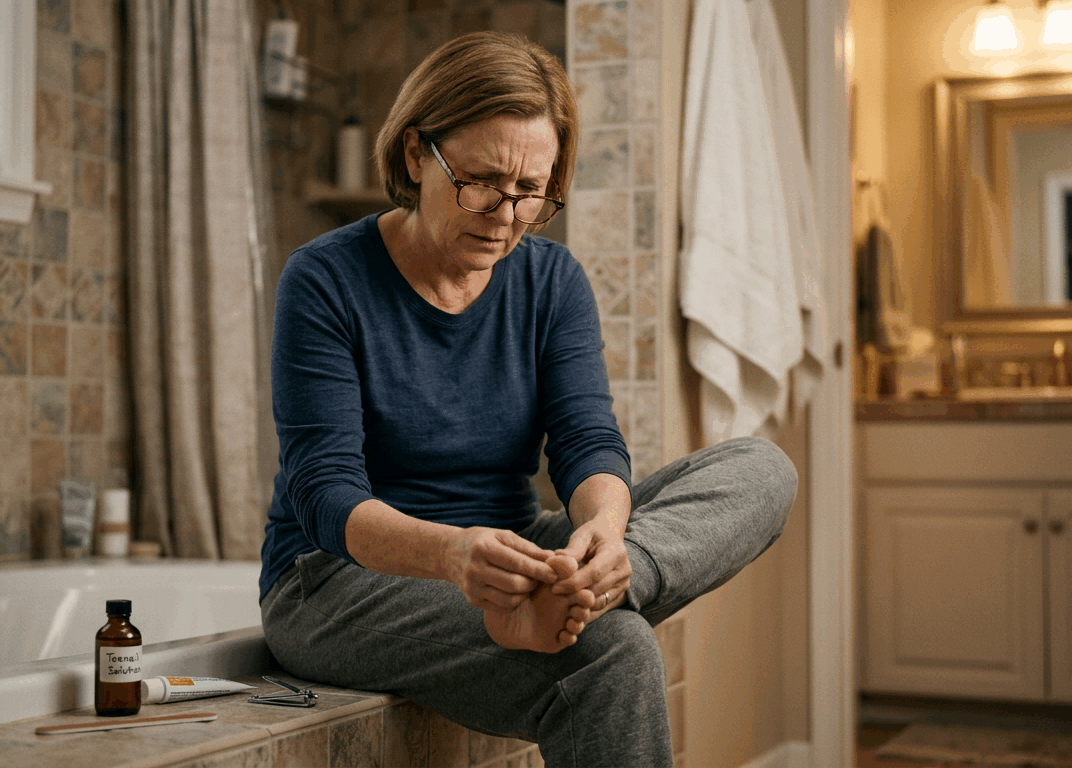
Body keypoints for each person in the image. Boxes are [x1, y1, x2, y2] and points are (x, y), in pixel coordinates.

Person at [259, 31, 797, 768]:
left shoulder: (552, 280)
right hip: (337, 581)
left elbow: (585, 442)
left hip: (509, 553)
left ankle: (613, 581)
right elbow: (323, 493)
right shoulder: (324, 279)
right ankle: (584, 600)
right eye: (481, 181)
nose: (506, 215)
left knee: (763, 471)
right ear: (417, 154)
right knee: (613, 648)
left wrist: (606, 539)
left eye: (530, 191)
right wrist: (453, 555)